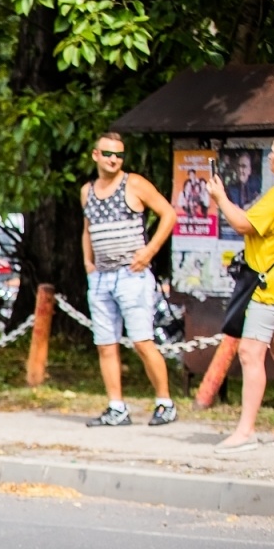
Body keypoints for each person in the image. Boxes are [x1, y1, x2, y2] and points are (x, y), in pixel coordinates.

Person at [78, 132, 179, 427]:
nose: (114, 160)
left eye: (119, 155)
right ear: (96, 155)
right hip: (101, 276)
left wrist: (149, 251)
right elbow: (87, 227)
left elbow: (168, 214)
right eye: (108, 154)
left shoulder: (133, 183)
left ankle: (165, 402)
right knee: (105, 344)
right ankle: (117, 407)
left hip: (131, 274)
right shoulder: (87, 191)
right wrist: (87, 262)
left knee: (142, 341)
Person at [206, 126, 274, 452]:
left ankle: (245, 432)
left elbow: (244, 224)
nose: (270, 156)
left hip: (267, 287)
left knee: (250, 353)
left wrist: (220, 198)